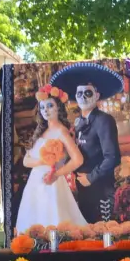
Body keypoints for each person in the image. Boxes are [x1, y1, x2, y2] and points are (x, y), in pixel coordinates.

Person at [50, 62, 123, 224]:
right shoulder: (78, 121)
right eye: (79, 93)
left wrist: (91, 177)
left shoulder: (104, 120)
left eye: (88, 93)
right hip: (83, 188)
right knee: (86, 230)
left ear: (97, 96)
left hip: (101, 188)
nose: (83, 97)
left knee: (103, 232)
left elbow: (112, 157)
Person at [13, 85, 86, 232]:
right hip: (34, 184)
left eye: (50, 106)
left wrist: (56, 174)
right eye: (42, 107)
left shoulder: (62, 132)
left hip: (51, 183)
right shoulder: (41, 132)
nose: (45, 110)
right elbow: (26, 161)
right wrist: (42, 161)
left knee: (53, 221)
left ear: (58, 108)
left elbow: (78, 159)